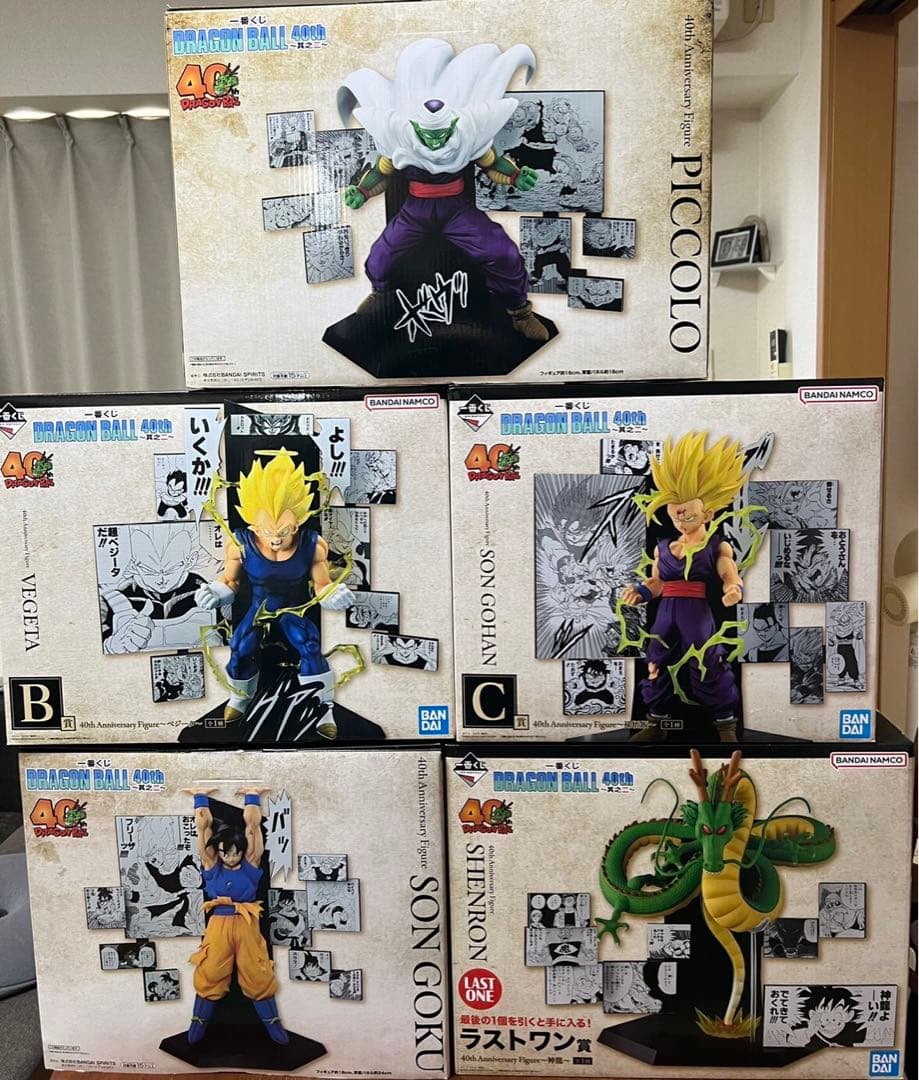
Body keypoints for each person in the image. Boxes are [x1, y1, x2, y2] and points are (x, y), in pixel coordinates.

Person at [338, 38, 549, 342]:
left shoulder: (465, 134)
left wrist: (516, 176)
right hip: (415, 211)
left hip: (456, 210)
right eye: (428, 135)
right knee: (380, 256)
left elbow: (492, 164)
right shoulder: (401, 139)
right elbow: (381, 174)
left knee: (502, 252)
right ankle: (379, 294)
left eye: (442, 135)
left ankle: (520, 312)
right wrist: (362, 192)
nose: (436, 143)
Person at [195, 450, 354, 737]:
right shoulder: (240, 544)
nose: (277, 538)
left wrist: (332, 594)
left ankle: (323, 708)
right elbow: (230, 582)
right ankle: (241, 696)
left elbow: (321, 585)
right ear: (254, 526)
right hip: (259, 605)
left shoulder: (313, 544)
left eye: (285, 530)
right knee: (240, 646)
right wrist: (215, 592)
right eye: (268, 531)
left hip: (293, 608)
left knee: (308, 645)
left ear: (298, 523)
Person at [620, 432, 747, 741]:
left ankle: (726, 725)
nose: (679, 518)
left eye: (687, 512)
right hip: (666, 611)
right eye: (674, 510)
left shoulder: (716, 545)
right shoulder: (664, 547)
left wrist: (733, 589)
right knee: (656, 662)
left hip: (696, 611)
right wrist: (642, 591)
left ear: (708, 513)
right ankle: (656, 723)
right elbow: (657, 581)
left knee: (707, 661)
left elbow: (729, 573)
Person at [185, 788, 288, 1046]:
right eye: (225, 853)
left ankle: (272, 1023)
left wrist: (252, 797)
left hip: (246, 923)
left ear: (242, 851)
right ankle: (198, 1021)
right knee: (210, 970)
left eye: (235, 852)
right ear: (218, 851)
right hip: (219, 924)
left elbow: (253, 829)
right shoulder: (212, 868)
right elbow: (203, 830)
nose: (230, 857)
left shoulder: (251, 866)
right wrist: (200, 799)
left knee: (257, 971)